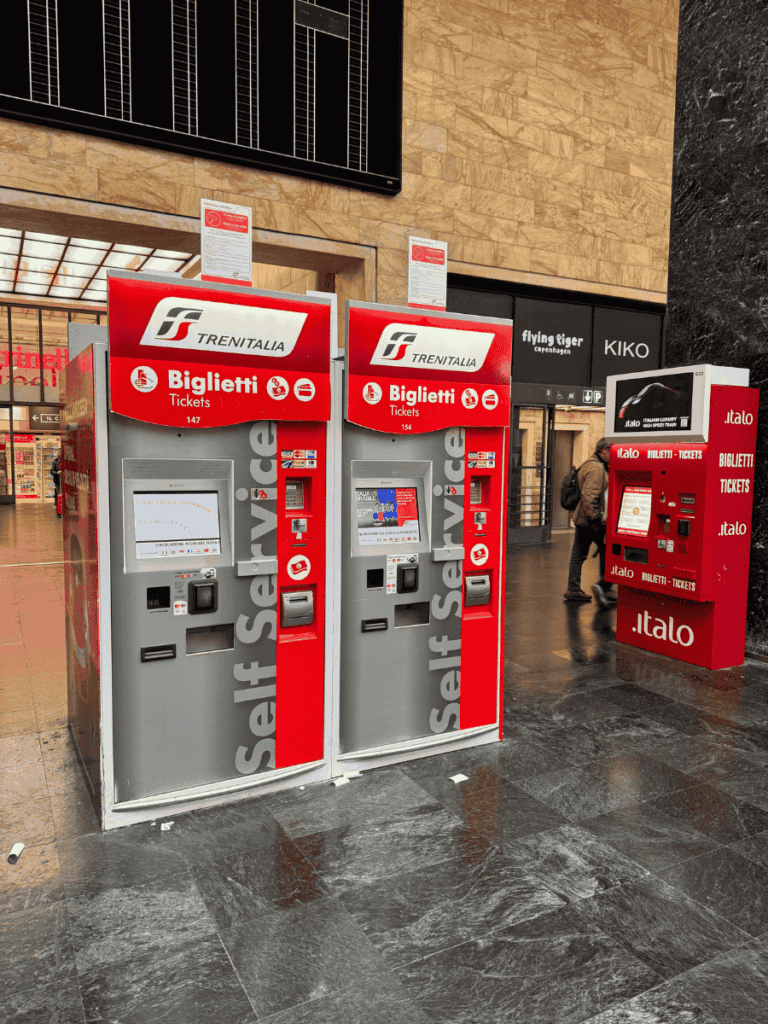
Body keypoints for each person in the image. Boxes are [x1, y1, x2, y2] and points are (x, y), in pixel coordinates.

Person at [563, 438, 615, 605]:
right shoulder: (596, 467)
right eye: (612, 451)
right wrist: (595, 519)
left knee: (579, 554)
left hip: (582, 517)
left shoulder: (590, 463)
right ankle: (603, 587)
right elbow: (590, 495)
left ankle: (573, 588)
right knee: (607, 551)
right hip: (590, 520)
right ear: (604, 450)